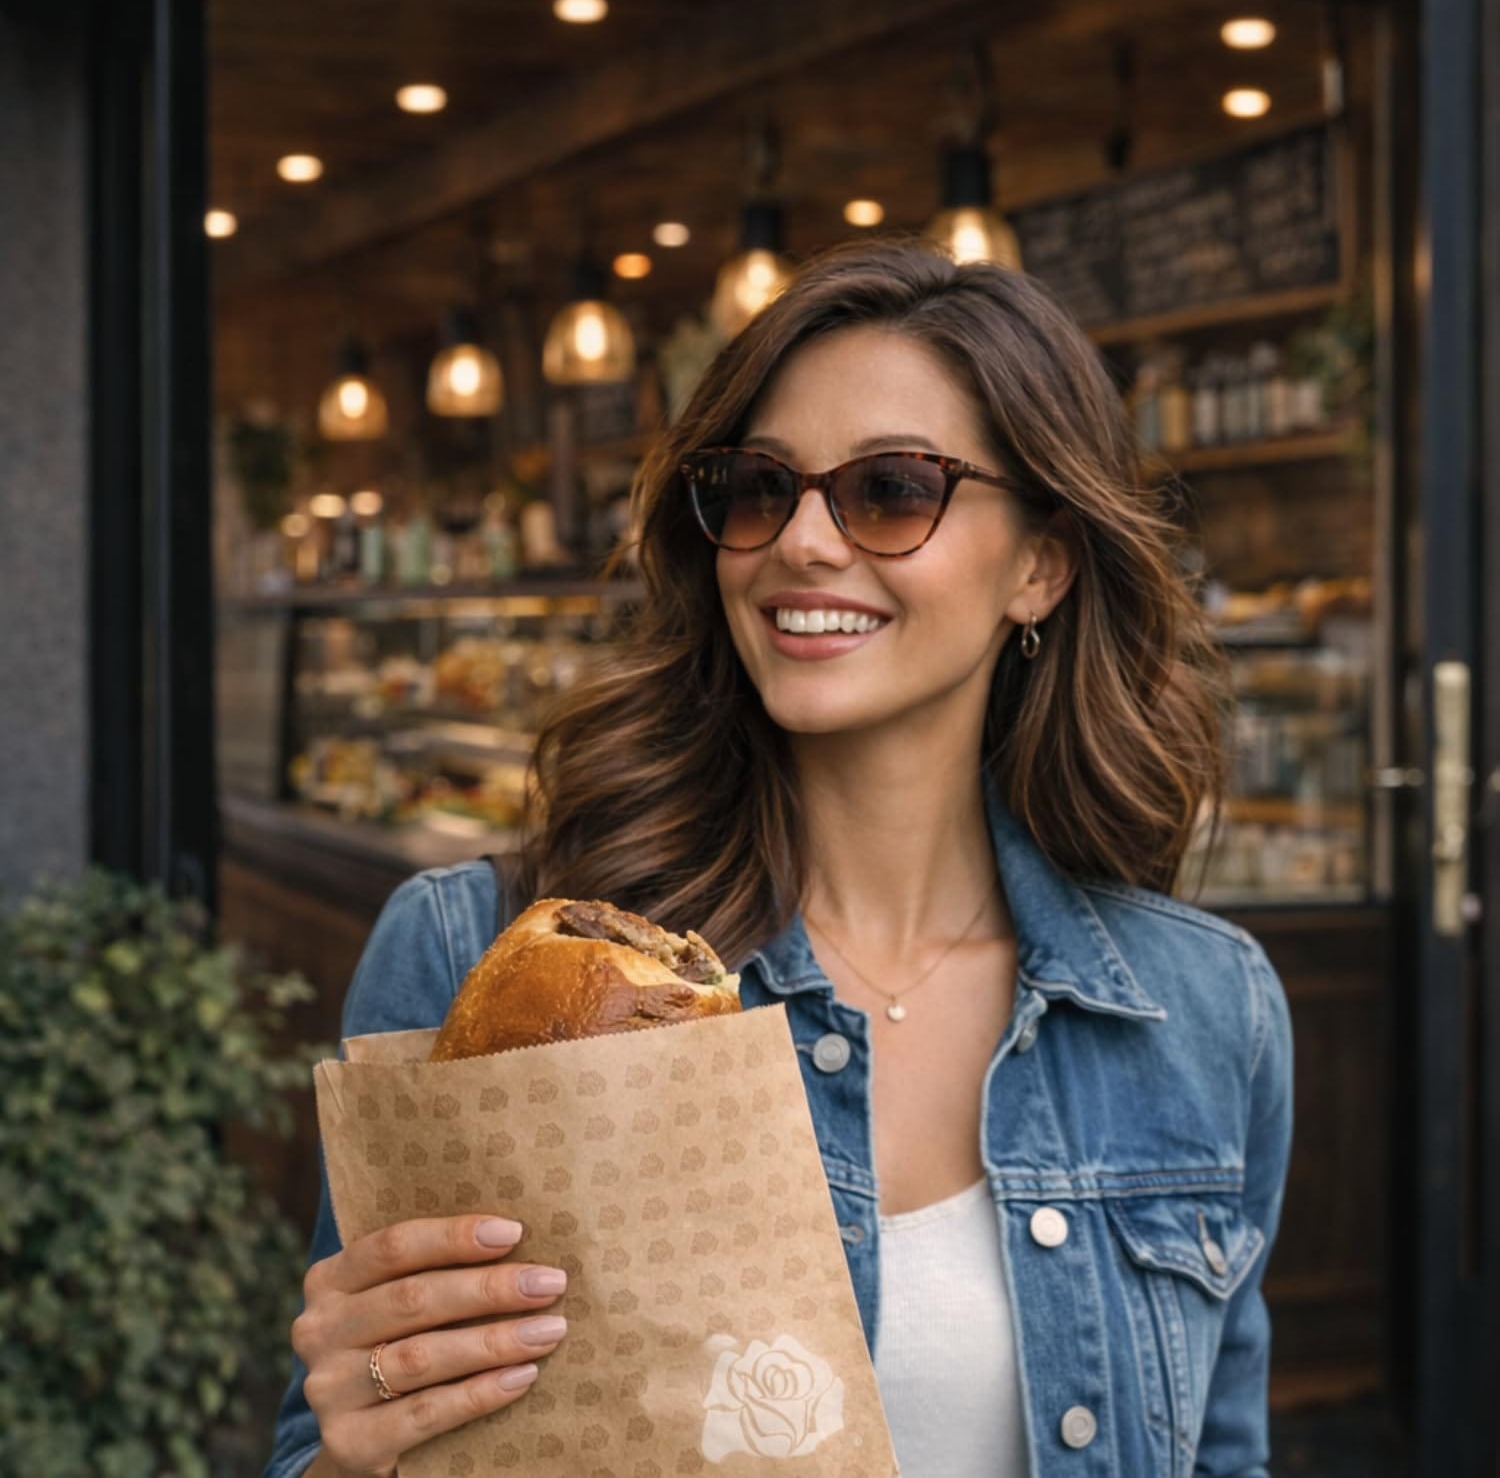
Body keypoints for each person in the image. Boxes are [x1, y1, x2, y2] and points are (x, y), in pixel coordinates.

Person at [264, 236, 1293, 1478]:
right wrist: (358, 1447)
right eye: (759, 487)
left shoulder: (1200, 1011)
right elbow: (332, 1448)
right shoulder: (492, 960)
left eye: (892, 489)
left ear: (1040, 563)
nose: (801, 542)